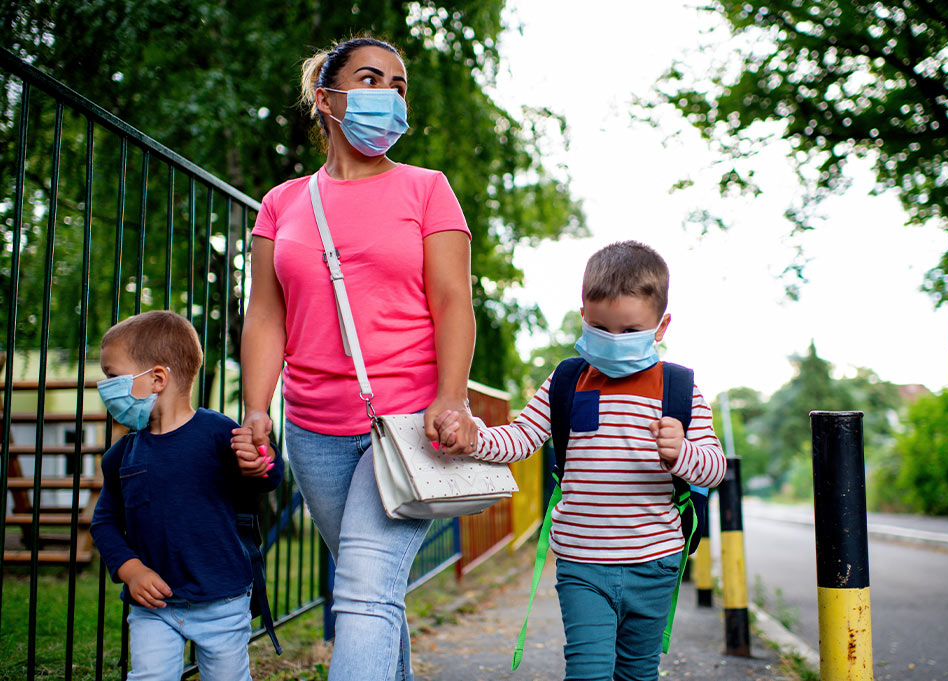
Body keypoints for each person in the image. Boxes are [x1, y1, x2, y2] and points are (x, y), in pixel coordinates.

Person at [238, 35, 478, 681]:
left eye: (399, 86)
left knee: (365, 590)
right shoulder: (282, 203)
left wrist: (451, 396)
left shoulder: (428, 190)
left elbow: (454, 302)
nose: (390, 96)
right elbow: (266, 313)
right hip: (313, 431)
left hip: (407, 424)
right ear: (327, 97)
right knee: (369, 589)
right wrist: (256, 408)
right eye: (371, 80)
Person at [434, 241, 727, 681]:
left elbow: (714, 468)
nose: (613, 341)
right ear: (583, 315)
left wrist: (681, 452)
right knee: (587, 672)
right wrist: (474, 438)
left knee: (637, 674)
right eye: (599, 327)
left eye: (630, 330)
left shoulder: (680, 389)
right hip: (582, 562)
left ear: (660, 326)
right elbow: (521, 437)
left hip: (656, 561)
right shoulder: (568, 380)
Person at [89, 310, 283, 681]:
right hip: (154, 607)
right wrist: (131, 571)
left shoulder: (218, 433)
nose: (105, 387)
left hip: (222, 601)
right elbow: (105, 522)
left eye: (113, 376)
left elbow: (266, 480)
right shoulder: (121, 455)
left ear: (158, 378)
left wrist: (262, 461)